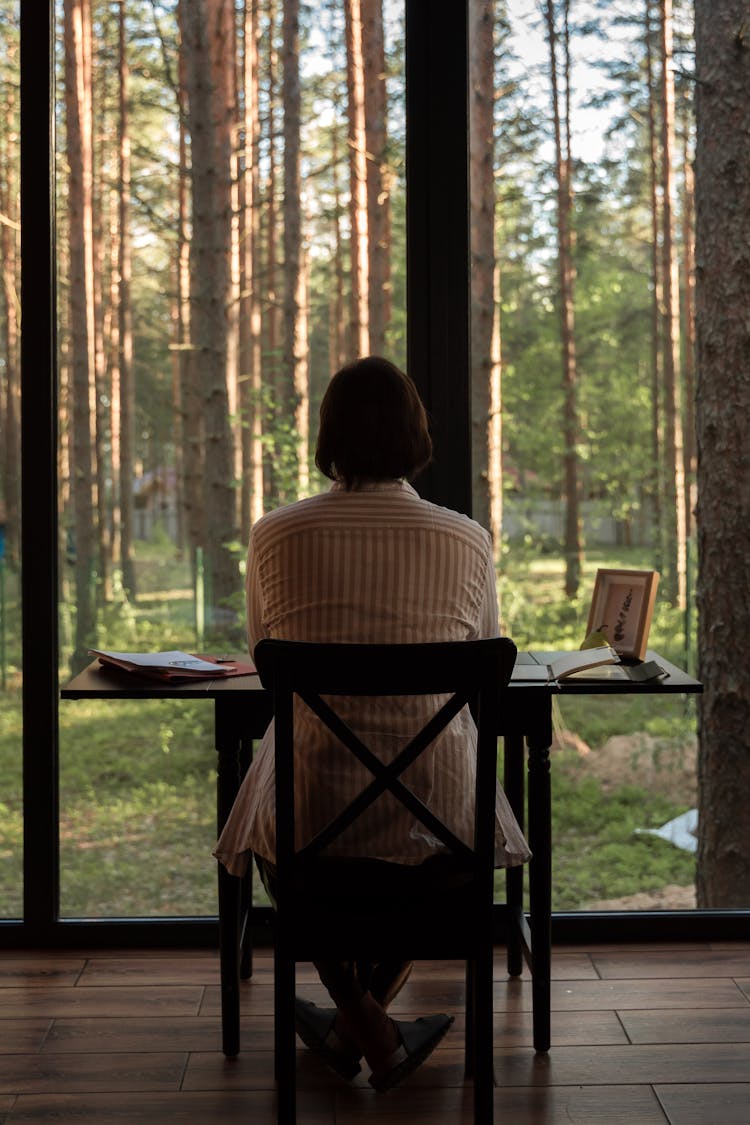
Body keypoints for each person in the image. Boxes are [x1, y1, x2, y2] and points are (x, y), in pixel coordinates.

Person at [214, 356, 530, 1091]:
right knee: (435, 824)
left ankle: (355, 1016)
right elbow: (482, 654)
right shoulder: (468, 539)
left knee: (277, 825)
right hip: (446, 825)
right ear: (417, 436)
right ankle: (372, 1026)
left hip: (311, 822)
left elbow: (268, 660)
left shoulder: (275, 535)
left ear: (328, 437)